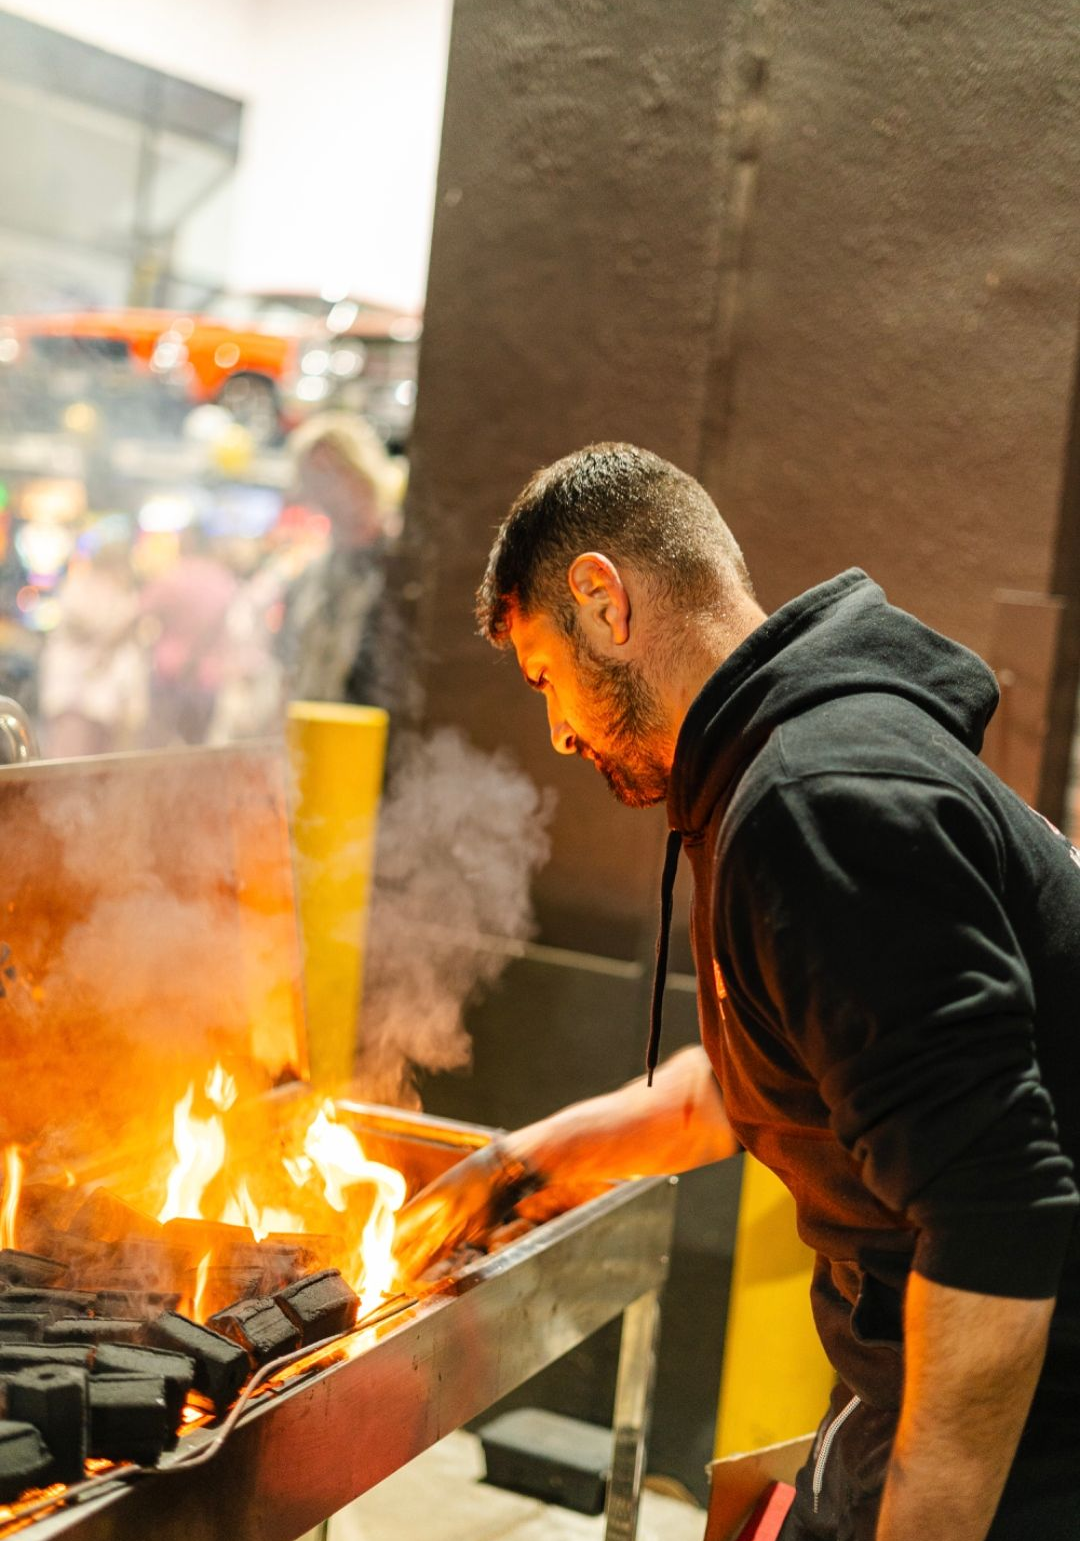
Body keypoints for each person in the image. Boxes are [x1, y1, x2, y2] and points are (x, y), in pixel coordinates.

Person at [393, 443, 1080, 1541]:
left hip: (1025, 1439)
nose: (558, 728)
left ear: (603, 599)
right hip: (918, 1390)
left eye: (544, 676)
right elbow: (773, 1075)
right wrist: (519, 1167)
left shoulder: (821, 800)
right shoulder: (791, 766)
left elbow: (997, 1210)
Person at [276, 413, 406, 713]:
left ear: (362, 470)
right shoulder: (308, 580)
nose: (330, 492)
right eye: (316, 479)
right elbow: (288, 670)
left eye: (336, 473)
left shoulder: (404, 572)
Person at [39, 533, 146, 758]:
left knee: (106, 761)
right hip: (75, 695)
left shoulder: (124, 595)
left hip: (110, 700)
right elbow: (84, 623)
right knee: (70, 756)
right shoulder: (78, 589)